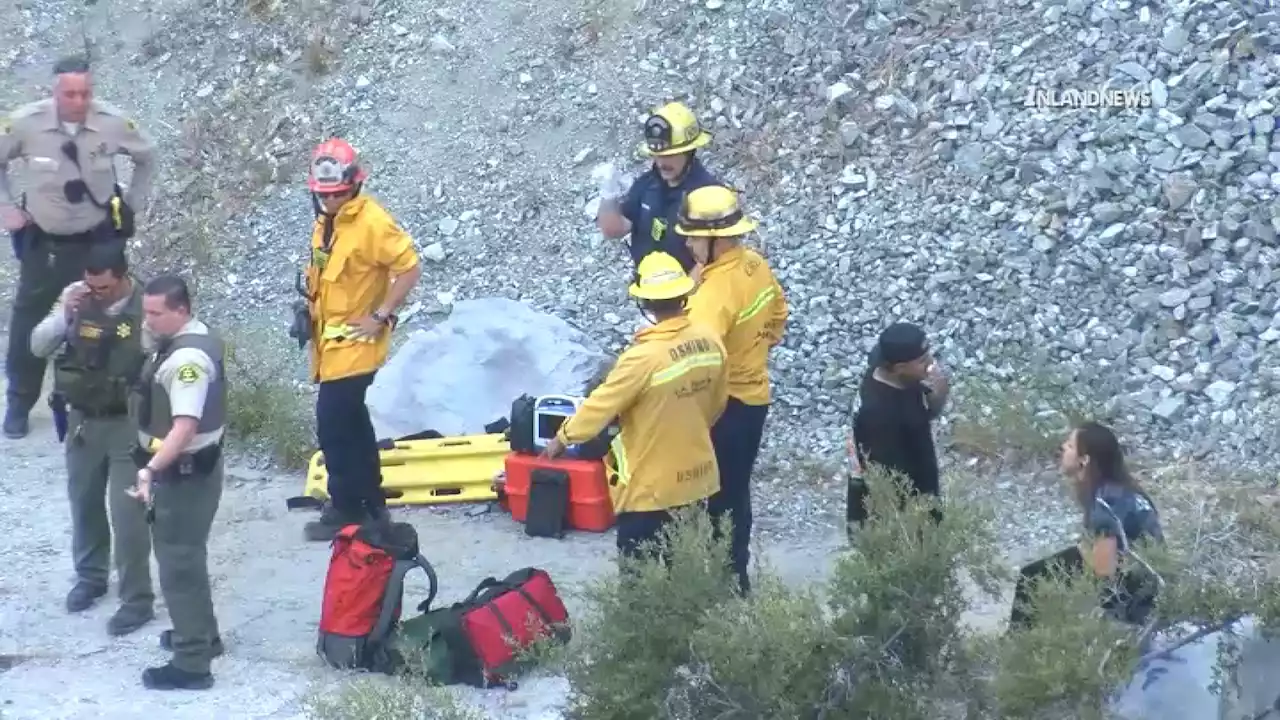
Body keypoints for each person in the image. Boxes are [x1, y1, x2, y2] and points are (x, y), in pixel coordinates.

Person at [1, 55, 156, 439]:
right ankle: (20, 401)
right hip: (45, 242)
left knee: (107, 317)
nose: (78, 100)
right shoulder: (26, 123)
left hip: (96, 240)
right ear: (55, 91)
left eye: (85, 92)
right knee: (30, 320)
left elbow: (148, 157)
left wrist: (132, 205)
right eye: (70, 93)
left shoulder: (112, 122)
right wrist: (5, 207)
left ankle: (101, 399)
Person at [542, 251, 728, 562]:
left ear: (645, 303)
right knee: (686, 567)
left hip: (650, 490)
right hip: (699, 479)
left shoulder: (642, 358)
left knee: (641, 579)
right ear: (684, 295)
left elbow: (599, 407)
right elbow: (717, 403)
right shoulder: (710, 340)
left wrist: (562, 438)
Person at [299, 138, 422, 542]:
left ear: (353, 185)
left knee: (335, 424)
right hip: (330, 345)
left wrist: (380, 315)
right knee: (351, 426)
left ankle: (351, 506)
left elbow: (408, 267)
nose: (330, 201)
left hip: (355, 345)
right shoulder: (328, 223)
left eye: (336, 194)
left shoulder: (372, 223)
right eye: (324, 195)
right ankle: (367, 505)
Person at [28, 244, 153, 633]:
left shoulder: (150, 307)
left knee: (127, 512)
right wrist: (65, 313)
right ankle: (91, 578)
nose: (95, 292)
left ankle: (137, 598)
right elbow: (38, 345)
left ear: (122, 277)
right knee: (84, 502)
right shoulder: (75, 299)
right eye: (90, 284)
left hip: (129, 423)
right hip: (83, 421)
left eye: (103, 287)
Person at [676, 185, 788, 594]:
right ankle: (736, 576)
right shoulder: (754, 265)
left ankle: (720, 584)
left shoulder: (714, 294)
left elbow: (697, 358)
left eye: (692, 236)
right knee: (736, 493)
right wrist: (751, 351)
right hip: (754, 396)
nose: (687, 243)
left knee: (712, 496)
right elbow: (778, 315)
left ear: (714, 238)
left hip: (724, 407)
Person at [126, 275, 226, 690]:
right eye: (144, 311)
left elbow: (184, 428)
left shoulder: (187, 363)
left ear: (181, 311)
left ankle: (191, 663)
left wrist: (150, 469)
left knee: (178, 565)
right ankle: (204, 636)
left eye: (155, 314)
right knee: (189, 557)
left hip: (183, 474)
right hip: (193, 470)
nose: (147, 321)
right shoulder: (196, 336)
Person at [1009, 422, 1165, 629]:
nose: (1063, 447)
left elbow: (1103, 568)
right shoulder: (1117, 491)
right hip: (1147, 581)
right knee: (1044, 571)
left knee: (1034, 579)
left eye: (1070, 446)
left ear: (1084, 461)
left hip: (1136, 595)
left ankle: (1022, 647)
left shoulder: (1107, 502)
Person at [596, 101, 720, 273]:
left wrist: (684, 295)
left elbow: (716, 259)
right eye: (657, 155)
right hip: (650, 293)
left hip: (691, 296)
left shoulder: (710, 195)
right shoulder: (647, 185)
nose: (661, 163)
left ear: (689, 152)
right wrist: (608, 195)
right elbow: (614, 230)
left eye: (669, 155)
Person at [850, 322, 950, 526]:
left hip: (921, 485)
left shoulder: (901, 379)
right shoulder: (877, 414)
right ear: (900, 367)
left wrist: (940, 391)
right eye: (922, 360)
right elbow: (886, 481)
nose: (931, 363)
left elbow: (926, 412)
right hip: (899, 508)